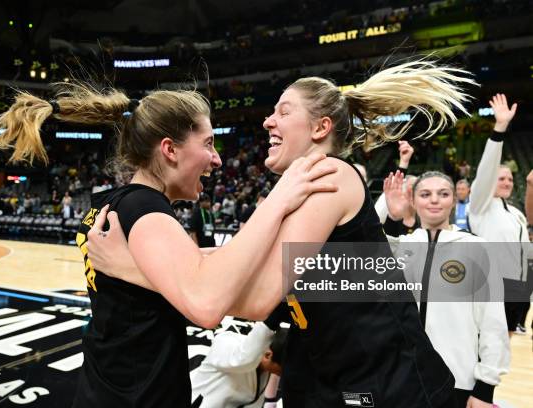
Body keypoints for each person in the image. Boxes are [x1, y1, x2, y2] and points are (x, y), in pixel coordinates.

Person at [87, 60, 477, 407]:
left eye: (283, 111)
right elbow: (233, 270)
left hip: (386, 381)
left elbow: (256, 298)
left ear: (320, 127)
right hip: (329, 371)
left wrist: (133, 271)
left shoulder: (331, 174)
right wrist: (175, 270)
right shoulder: (295, 191)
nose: (267, 121)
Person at [0, 84, 338, 407]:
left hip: (108, 383)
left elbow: (196, 267)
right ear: (170, 150)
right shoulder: (147, 210)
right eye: (208, 144)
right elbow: (207, 304)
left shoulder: (114, 202)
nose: (216, 159)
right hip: (140, 395)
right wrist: (279, 199)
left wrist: (129, 269)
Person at [383, 170, 510, 408]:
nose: (434, 200)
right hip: (402, 378)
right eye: (425, 194)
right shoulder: (403, 247)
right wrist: (393, 216)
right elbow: (370, 251)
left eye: (443, 194)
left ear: (453, 200)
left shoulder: (478, 249)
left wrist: (486, 388)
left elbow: (493, 322)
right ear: (413, 200)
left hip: (456, 380)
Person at [467, 93, 531, 337]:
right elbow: (486, 170)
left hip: (517, 287)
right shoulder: (481, 204)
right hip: (491, 286)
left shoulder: (516, 214)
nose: (507, 182)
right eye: (501, 178)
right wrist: (500, 128)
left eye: (510, 179)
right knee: (485, 345)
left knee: (506, 348)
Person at [190, 320, 287, 408]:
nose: (284, 373)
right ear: (268, 355)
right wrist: (270, 322)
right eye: (283, 368)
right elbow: (243, 359)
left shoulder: (265, 369)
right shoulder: (229, 345)